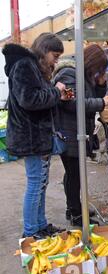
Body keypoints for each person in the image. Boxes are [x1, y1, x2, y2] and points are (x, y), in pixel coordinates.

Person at [2, 33, 70, 238]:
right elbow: (29, 100)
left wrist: (59, 96)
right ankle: (31, 231)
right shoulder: (25, 65)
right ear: (43, 50)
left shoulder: (32, 67)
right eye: (55, 55)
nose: (56, 61)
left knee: (40, 183)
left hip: (38, 138)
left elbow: (39, 99)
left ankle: (40, 225)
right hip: (31, 137)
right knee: (35, 184)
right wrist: (57, 92)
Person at [52, 44, 108, 227]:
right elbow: (72, 103)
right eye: (100, 69)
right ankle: (76, 213)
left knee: (74, 174)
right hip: (69, 133)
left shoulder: (84, 77)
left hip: (77, 133)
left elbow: (90, 96)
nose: (100, 72)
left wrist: (102, 85)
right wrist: (101, 103)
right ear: (93, 63)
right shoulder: (69, 74)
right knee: (74, 175)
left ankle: (73, 208)